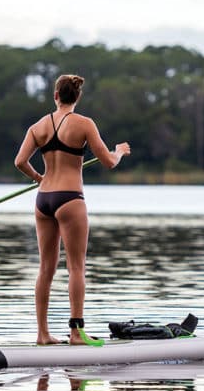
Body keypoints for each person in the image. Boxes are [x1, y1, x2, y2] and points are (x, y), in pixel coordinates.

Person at [14, 74, 130, 345]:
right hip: (69, 198)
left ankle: (43, 334)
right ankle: (76, 332)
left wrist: (39, 178)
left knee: (45, 269)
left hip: (43, 201)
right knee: (76, 267)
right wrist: (120, 151)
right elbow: (109, 162)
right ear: (76, 97)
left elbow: (20, 161)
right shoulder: (84, 124)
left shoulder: (38, 126)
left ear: (56, 96)